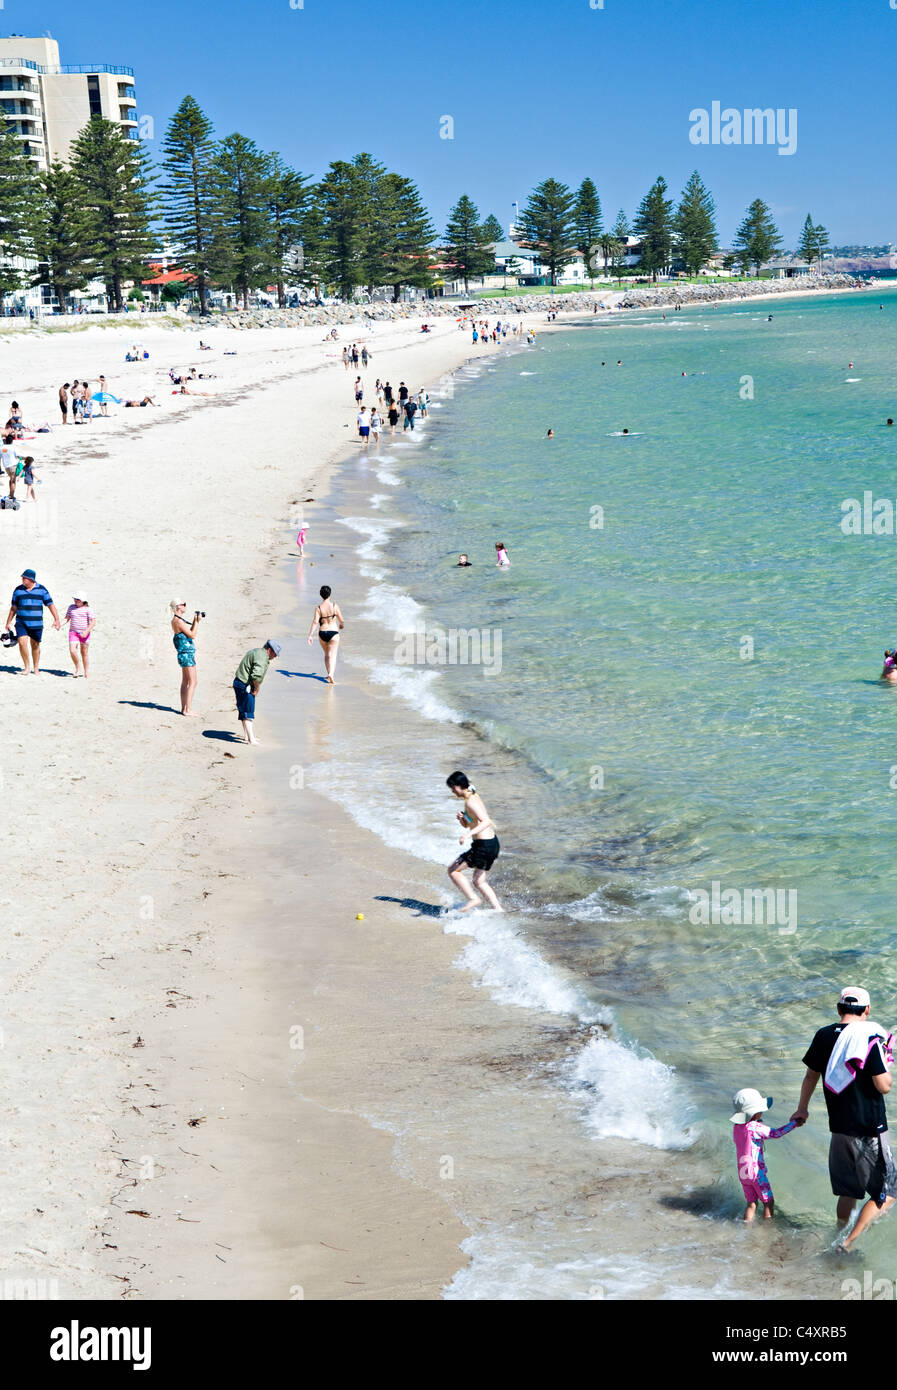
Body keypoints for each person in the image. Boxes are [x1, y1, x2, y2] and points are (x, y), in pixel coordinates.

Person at [792, 986, 897, 1250]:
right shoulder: (868, 1037)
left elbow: (810, 1076)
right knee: (890, 1190)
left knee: (848, 1192)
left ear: (839, 1009)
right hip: (870, 1127)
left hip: (839, 1127)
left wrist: (802, 1109)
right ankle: (847, 1244)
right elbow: (884, 1085)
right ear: (868, 1010)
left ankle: (838, 1234)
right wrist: (885, 1059)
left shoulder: (824, 1035)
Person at [730, 1088, 802, 1222]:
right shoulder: (755, 1127)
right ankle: (767, 1229)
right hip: (757, 1173)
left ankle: (746, 1225)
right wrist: (794, 1124)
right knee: (768, 1202)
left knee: (752, 1204)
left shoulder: (737, 1128)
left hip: (743, 1173)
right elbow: (776, 1133)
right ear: (756, 1113)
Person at [445, 771, 503, 912]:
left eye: (453, 787)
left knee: (453, 870)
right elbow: (473, 822)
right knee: (479, 881)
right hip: (491, 844)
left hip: (483, 846)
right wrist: (463, 819)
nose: (452, 791)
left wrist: (467, 834)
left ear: (459, 786)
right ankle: (499, 910)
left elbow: (485, 822)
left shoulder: (471, 801)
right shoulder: (471, 797)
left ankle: (473, 899)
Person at [4, 568, 61, 674]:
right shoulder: (18, 590)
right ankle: (27, 667)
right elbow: (13, 608)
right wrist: (8, 622)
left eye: (24, 578)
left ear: (31, 579)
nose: (22, 579)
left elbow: (50, 605)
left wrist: (57, 619)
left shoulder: (42, 590)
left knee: (35, 645)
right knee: (22, 642)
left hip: (37, 623)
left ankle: (36, 667)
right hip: (21, 622)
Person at [233, 638, 280, 744]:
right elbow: (256, 675)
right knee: (248, 712)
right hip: (245, 685)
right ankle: (251, 739)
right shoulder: (262, 657)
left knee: (243, 711)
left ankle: (247, 737)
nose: (275, 656)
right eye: (275, 653)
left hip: (238, 682)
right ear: (269, 650)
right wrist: (256, 689)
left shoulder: (256, 651)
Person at [170, 600, 203, 715]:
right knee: (193, 681)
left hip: (183, 654)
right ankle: (187, 709)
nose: (185, 606)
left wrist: (195, 621)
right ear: (178, 607)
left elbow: (189, 632)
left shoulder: (175, 620)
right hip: (187, 654)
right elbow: (192, 635)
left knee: (185, 681)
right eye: (183, 604)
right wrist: (197, 622)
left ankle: (184, 708)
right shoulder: (178, 621)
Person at [307, 584, 344, 685]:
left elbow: (315, 622)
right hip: (333, 632)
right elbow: (341, 619)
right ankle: (331, 674)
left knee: (327, 654)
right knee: (333, 655)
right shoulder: (334, 606)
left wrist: (310, 635)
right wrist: (341, 624)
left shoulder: (318, 608)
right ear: (330, 594)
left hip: (322, 633)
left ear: (321, 595)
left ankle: (329, 674)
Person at [65, 592, 95, 678]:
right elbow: (67, 618)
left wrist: (86, 631)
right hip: (73, 632)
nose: (75, 600)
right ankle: (77, 668)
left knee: (84, 653)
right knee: (72, 650)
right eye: (75, 599)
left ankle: (86, 671)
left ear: (83, 601)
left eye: (78, 599)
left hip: (84, 633)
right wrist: (59, 624)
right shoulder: (71, 607)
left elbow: (93, 622)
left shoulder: (88, 609)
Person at [1, 434, 21, 498]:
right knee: (13, 481)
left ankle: (10, 494)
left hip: (6, 467)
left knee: (11, 479)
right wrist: (26, 458)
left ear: (6, 441)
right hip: (13, 466)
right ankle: (12, 495)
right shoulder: (13, 447)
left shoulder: (2, 448)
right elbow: (18, 456)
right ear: (12, 441)